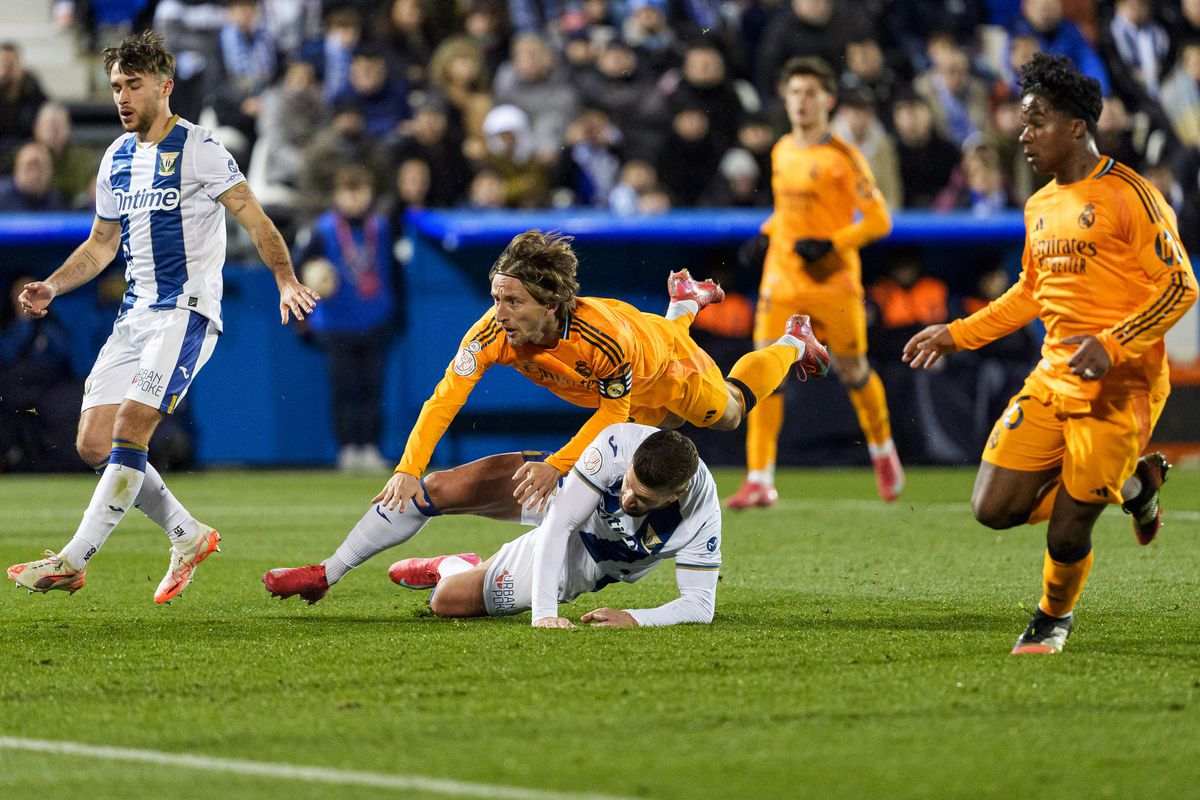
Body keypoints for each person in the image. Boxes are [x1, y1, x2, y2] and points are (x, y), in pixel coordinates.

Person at [261, 231, 829, 602]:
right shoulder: (489, 334)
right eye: (495, 297)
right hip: (628, 380)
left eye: (512, 302)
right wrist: (408, 466)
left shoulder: (600, 342)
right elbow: (444, 399)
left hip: (667, 372)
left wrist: (557, 464)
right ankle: (326, 571)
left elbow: (616, 415)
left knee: (727, 411)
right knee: (431, 486)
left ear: (550, 306)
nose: (499, 313)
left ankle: (791, 343)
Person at [5, 31, 319, 603]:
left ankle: (72, 560)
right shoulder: (116, 158)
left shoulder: (199, 148)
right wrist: (53, 283)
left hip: (185, 311)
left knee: (130, 430)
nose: (122, 97)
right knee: (94, 442)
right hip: (134, 317)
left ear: (164, 86)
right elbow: (102, 245)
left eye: (133, 85)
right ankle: (187, 533)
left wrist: (284, 277)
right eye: (116, 87)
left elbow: (254, 217)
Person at [903, 53, 1197, 655]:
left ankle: (1051, 617)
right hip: (1052, 376)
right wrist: (955, 333)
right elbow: (1030, 293)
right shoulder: (1040, 205)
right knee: (992, 508)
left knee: (1068, 531)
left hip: (1121, 388)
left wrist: (1113, 344)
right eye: (1022, 120)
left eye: (1036, 121)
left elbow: (1180, 285)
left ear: (1076, 126)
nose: (1023, 133)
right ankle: (1133, 486)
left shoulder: (1130, 197)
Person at [269, 424, 722, 630]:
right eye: (628, 487)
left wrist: (635, 619)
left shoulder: (700, 512)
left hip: (593, 559)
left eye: (641, 501)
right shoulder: (618, 447)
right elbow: (560, 523)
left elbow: (699, 605)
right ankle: (329, 569)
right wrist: (544, 614)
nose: (628, 499)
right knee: (440, 488)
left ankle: (452, 566)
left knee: (448, 602)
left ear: (675, 497)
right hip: (566, 493)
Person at [729, 57, 900, 510]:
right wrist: (765, 234)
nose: (801, 102)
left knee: (853, 371)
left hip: (833, 281)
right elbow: (787, 213)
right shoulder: (782, 149)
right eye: (794, 93)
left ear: (828, 100)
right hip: (782, 277)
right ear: (785, 100)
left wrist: (832, 243)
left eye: (810, 93)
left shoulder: (844, 157)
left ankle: (883, 452)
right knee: (764, 371)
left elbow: (880, 219)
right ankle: (760, 477)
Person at [295, 164, 396, 472]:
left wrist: (396, 314)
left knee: (373, 389)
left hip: (374, 318)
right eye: (348, 193)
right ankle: (348, 448)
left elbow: (394, 271)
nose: (355, 200)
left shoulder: (380, 227)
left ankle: (371, 447)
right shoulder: (323, 230)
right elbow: (300, 268)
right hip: (337, 324)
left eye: (360, 192)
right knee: (345, 389)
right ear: (337, 195)